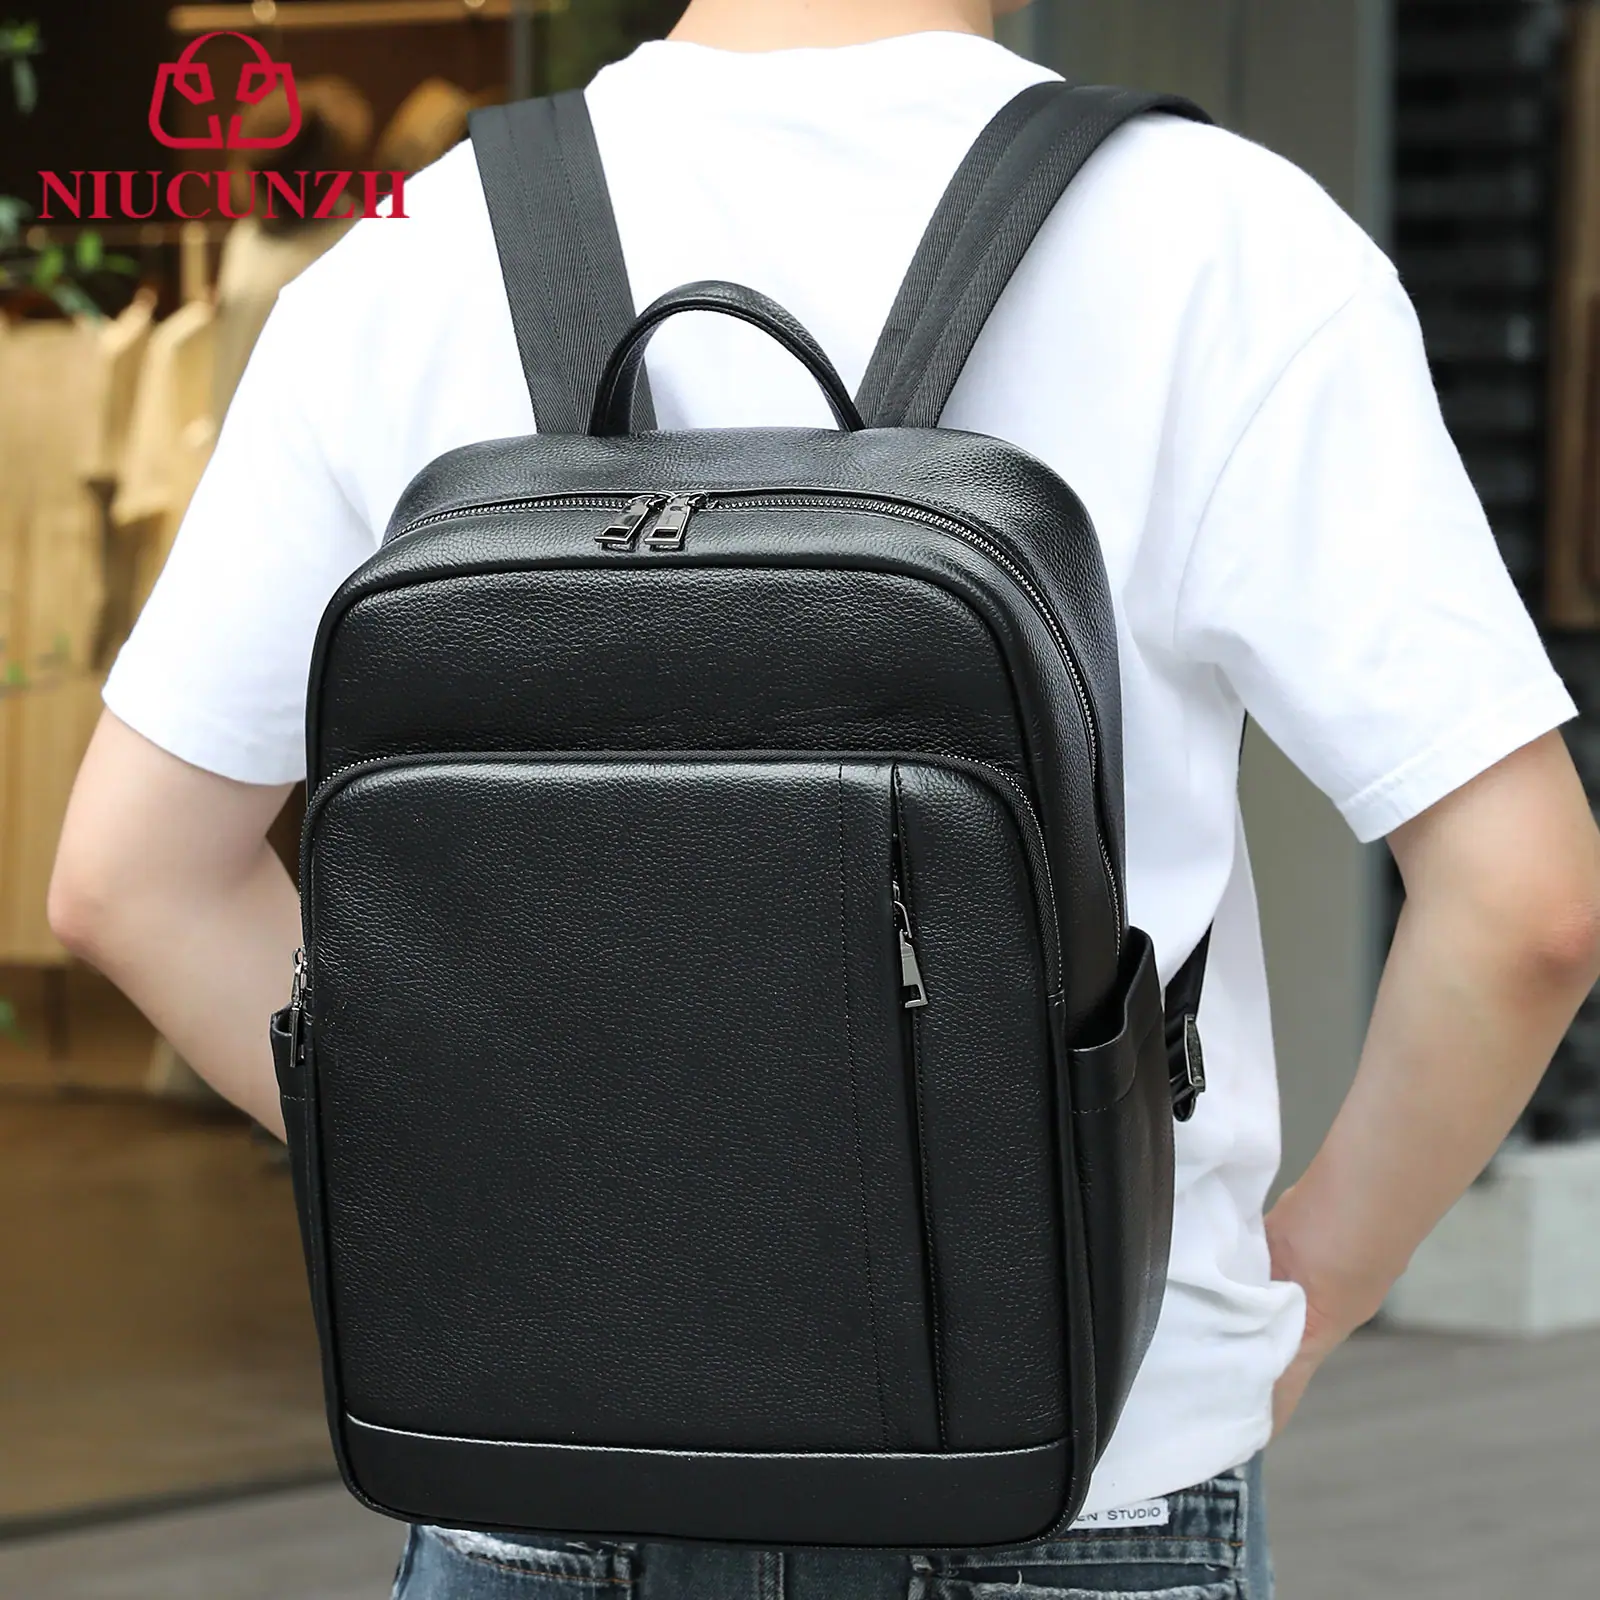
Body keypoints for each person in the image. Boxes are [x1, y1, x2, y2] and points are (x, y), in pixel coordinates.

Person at [49, 2, 1600, 1596]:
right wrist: (1316, 1284)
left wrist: (516, 1180)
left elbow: (132, 880)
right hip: (1079, 1463)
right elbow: (1526, 906)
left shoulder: (405, 254)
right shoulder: (1223, 241)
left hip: (550, 1448)